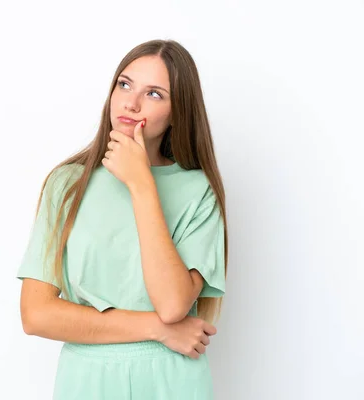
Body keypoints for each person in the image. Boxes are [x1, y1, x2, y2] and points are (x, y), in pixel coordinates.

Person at [16, 39, 228, 399]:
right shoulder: (67, 184)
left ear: (179, 112)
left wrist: (142, 184)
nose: (130, 102)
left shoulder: (198, 191)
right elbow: (36, 315)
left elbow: (174, 304)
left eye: (155, 94)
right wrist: (158, 329)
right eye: (124, 84)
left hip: (170, 381)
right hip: (86, 380)